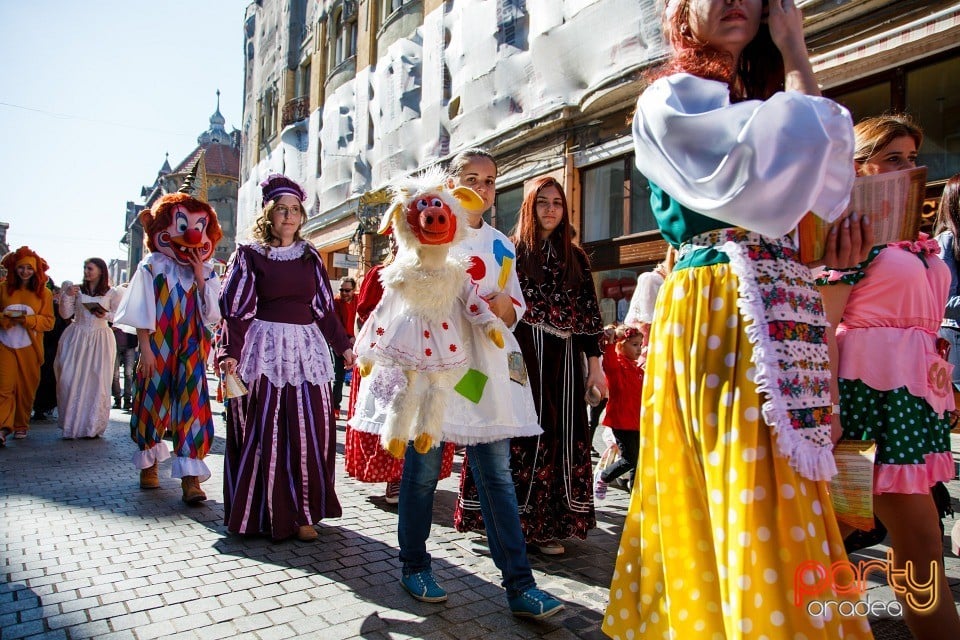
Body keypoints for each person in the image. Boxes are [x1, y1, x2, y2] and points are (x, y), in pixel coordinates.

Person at [603, 1, 875, 638]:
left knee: (781, 481)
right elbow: (792, 156)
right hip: (717, 307)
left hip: (780, 298)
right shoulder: (671, 99)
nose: (732, 0)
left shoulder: (768, 100)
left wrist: (832, 256)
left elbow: (815, 177)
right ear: (680, 11)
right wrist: (798, 60)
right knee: (734, 483)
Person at [356, 150, 561, 619]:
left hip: (482, 372)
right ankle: (414, 564)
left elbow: (516, 306)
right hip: (436, 369)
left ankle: (519, 584)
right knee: (424, 467)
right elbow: (399, 292)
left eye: (491, 180)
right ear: (453, 181)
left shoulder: (503, 245)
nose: (484, 188)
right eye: (473, 178)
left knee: (496, 475)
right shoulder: (431, 223)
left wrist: (508, 308)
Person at [828, 115, 960, 638]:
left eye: (912, 157)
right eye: (894, 158)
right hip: (869, 403)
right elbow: (823, 327)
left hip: (913, 401)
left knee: (834, 537)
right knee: (921, 543)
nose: (910, 167)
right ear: (861, 168)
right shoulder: (851, 232)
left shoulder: (916, 239)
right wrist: (829, 412)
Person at [457, 175, 605, 557]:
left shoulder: (577, 258)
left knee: (559, 437)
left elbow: (589, 320)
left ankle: (547, 524)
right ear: (529, 206)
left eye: (557, 202)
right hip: (520, 354)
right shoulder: (511, 251)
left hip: (566, 362)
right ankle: (506, 521)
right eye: (543, 202)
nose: (551, 209)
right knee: (516, 431)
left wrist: (596, 368)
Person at [218, 174, 355, 542]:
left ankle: (303, 514)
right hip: (264, 351)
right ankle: (260, 513)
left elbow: (325, 310)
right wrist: (229, 353)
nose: (289, 217)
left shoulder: (311, 257)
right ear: (269, 214)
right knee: (265, 430)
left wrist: (343, 347)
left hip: (305, 351)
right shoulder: (249, 255)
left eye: (295, 210)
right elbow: (236, 310)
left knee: (309, 430)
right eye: (282, 210)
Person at [115, 191, 223, 505]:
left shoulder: (208, 270)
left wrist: (201, 278)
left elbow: (213, 315)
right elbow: (141, 310)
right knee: (152, 398)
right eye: (181, 225)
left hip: (192, 348)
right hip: (158, 346)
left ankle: (191, 477)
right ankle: (148, 465)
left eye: (198, 226)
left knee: (192, 405)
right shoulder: (152, 266)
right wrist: (145, 348)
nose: (191, 234)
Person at [345, 238, 456, 504]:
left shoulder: (440, 270)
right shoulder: (381, 273)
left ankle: (419, 476)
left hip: (429, 355)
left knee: (425, 414)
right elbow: (368, 314)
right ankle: (395, 478)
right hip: (392, 357)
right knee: (395, 414)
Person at [54, 258, 123, 439]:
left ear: (101, 271)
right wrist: (67, 295)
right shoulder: (75, 290)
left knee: (96, 380)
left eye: (90, 268)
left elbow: (120, 317)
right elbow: (65, 314)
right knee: (68, 379)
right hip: (77, 337)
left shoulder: (112, 293)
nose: (86, 271)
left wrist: (105, 314)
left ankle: (91, 426)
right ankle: (71, 425)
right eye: (85, 268)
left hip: (100, 339)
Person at [0, 247, 54, 445]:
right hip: (4, 346)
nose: (25, 272)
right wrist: (5, 318)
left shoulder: (44, 294)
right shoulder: (3, 289)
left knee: (26, 389)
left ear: (36, 270)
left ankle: (21, 424)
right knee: (3, 387)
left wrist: (28, 320)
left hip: (30, 349)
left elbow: (49, 322)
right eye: (21, 267)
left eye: (29, 268)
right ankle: (3, 427)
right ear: (14, 268)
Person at [593, 324, 645, 495]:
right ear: (621, 345)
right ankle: (604, 476)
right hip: (622, 420)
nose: (639, 349)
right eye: (634, 344)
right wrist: (610, 342)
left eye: (640, 344)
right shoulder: (618, 367)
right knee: (630, 458)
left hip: (636, 420)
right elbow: (609, 361)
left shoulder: (638, 370)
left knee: (638, 458)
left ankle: (635, 491)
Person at [32, 281, 69, 421]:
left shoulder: (56, 307)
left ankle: (41, 408)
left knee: (47, 378)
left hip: (51, 349)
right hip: (38, 345)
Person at [331, 276, 357, 420]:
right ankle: (335, 408)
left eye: (347, 290)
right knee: (338, 377)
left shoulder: (359, 301)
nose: (344, 293)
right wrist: (348, 338)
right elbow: (336, 325)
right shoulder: (335, 302)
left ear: (354, 290)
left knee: (358, 378)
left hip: (357, 343)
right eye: (341, 289)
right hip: (339, 343)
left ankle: (356, 409)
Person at [112, 323, 138, 411]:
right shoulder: (114, 311)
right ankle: (117, 399)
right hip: (114, 345)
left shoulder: (130, 310)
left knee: (128, 373)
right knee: (114, 374)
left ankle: (127, 399)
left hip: (130, 345)